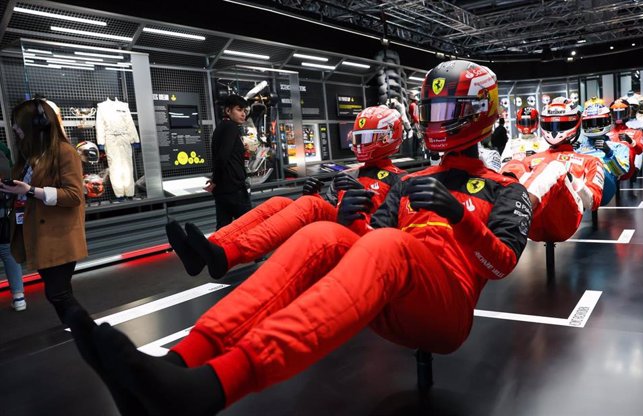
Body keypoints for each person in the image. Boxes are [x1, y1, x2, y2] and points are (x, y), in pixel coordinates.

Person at [66, 60, 532, 416]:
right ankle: (182, 362)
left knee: (385, 243)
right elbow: (372, 242)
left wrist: (461, 219)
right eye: (431, 110)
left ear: (477, 113)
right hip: (395, 301)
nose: (437, 119)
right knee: (323, 232)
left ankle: (215, 387)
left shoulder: (506, 188)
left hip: (447, 312)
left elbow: (502, 264)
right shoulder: (412, 181)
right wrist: (350, 222)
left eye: (446, 110)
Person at [167, 105, 407, 279]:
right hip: (338, 233)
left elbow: (393, 229)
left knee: (310, 205)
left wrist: (367, 204)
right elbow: (331, 209)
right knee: (279, 202)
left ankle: (228, 255)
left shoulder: (399, 179)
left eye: (370, 138)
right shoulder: (349, 173)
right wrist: (315, 195)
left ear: (389, 138)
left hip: (365, 241)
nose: (363, 144)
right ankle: (204, 252)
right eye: (360, 138)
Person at [0, 99, 87, 322]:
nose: (15, 128)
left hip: (58, 235)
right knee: (57, 292)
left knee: (58, 293)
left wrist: (30, 190)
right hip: (37, 234)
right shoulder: (31, 156)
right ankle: (79, 331)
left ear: (35, 123)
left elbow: (74, 195)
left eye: (18, 123)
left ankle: (88, 333)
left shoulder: (64, 152)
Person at [502, 97, 604, 242]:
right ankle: (501, 216)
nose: (555, 131)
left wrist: (571, 180)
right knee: (513, 164)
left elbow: (593, 202)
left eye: (561, 125)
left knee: (555, 167)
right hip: (532, 223)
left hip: (566, 219)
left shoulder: (591, 161)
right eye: (551, 125)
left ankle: (511, 219)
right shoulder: (531, 159)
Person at [206, 94, 251, 230]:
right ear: (227, 111)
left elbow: (225, 156)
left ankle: (217, 251)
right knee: (249, 226)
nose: (243, 114)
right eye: (239, 110)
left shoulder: (221, 128)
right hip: (234, 189)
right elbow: (222, 157)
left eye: (245, 111)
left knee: (223, 228)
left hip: (223, 189)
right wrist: (215, 181)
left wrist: (216, 180)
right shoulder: (231, 127)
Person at [576, 97, 631, 206]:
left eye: (598, 122)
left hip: (604, 185)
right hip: (576, 183)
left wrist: (609, 153)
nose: (594, 126)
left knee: (597, 169)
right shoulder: (578, 146)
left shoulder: (618, 147)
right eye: (590, 123)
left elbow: (620, 172)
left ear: (606, 121)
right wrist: (570, 151)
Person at [0, 141, 25, 311]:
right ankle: (18, 297)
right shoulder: (2, 148)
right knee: (7, 250)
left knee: (7, 251)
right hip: (3, 205)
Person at [609, 99, 643, 181]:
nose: (618, 116)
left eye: (621, 113)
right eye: (615, 114)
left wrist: (631, 141)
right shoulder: (607, 134)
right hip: (609, 169)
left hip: (627, 169)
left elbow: (640, 151)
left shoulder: (635, 132)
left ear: (627, 113)